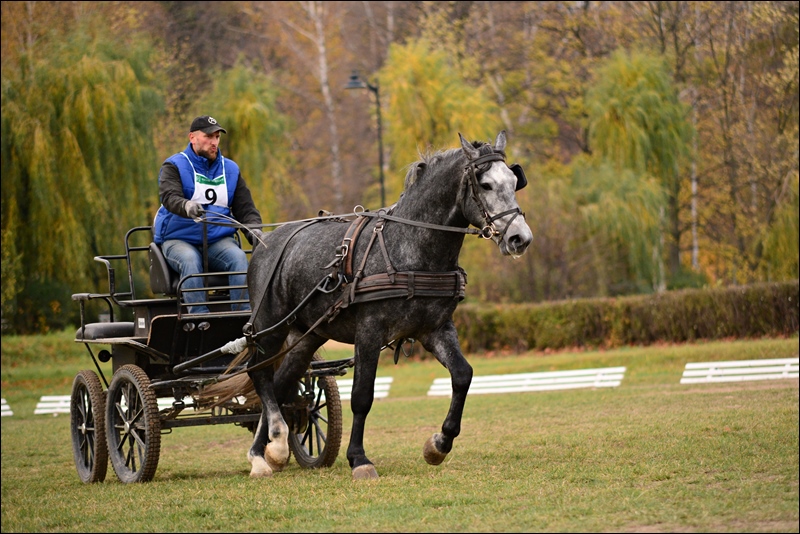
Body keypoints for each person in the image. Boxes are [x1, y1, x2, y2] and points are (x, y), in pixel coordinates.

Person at [153, 115, 262, 314]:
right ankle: (198, 319)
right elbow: (169, 197)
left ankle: (243, 318)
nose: (214, 142)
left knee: (238, 257)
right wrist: (186, 206)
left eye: (217, 137)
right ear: (192, 137)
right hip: (178, 239)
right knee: (189, 259)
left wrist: (255, 232)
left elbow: (246, 210)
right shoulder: (174, 165)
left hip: (217, 241)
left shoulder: (230, 169)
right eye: (208, 136)